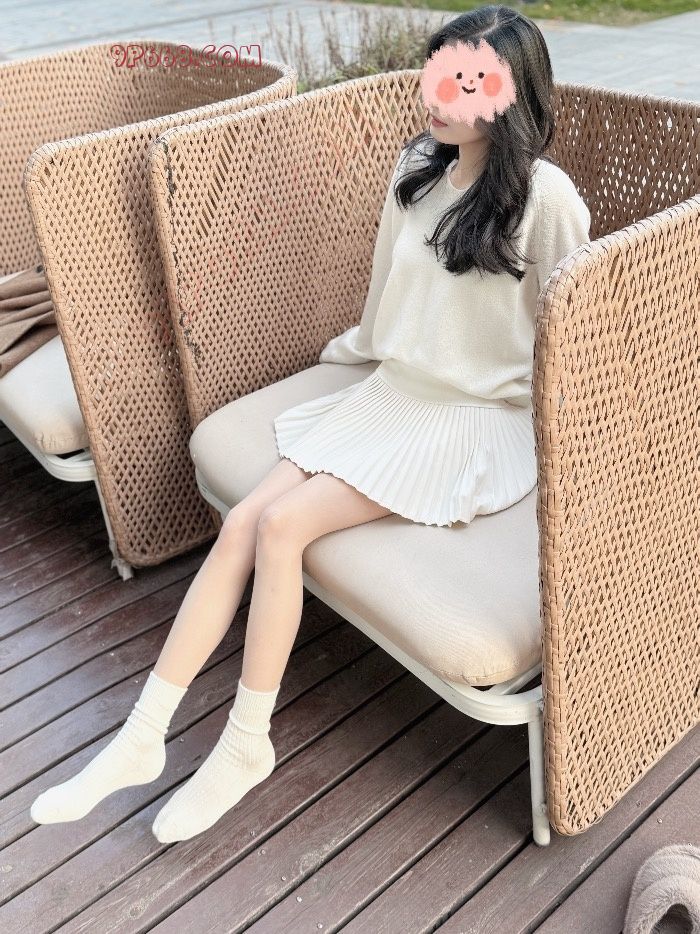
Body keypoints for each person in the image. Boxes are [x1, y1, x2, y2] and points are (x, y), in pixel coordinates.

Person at [30, 4, 591, 843]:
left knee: (282, 526)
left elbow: (572, 336)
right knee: (243, 523)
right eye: (438, 73)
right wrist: (352, 357)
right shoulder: (417, 169)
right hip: (394, 393)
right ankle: (141, 736)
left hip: (474, 419)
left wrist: (567, 443)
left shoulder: (546, 200)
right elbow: (385, 299)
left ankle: (245, 744)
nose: (441, 95)